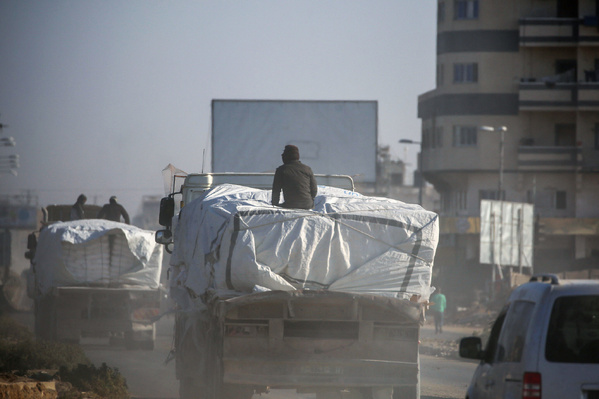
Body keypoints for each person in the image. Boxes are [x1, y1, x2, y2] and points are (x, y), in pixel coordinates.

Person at [272, 144, 317, 210]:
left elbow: (276, 191)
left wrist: (274, 206)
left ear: (287, 156)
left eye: (284, 153)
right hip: (308, 205)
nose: (282, 155)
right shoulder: (307, 169)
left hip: (290, 205)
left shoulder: (281, 170)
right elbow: (314, 190)